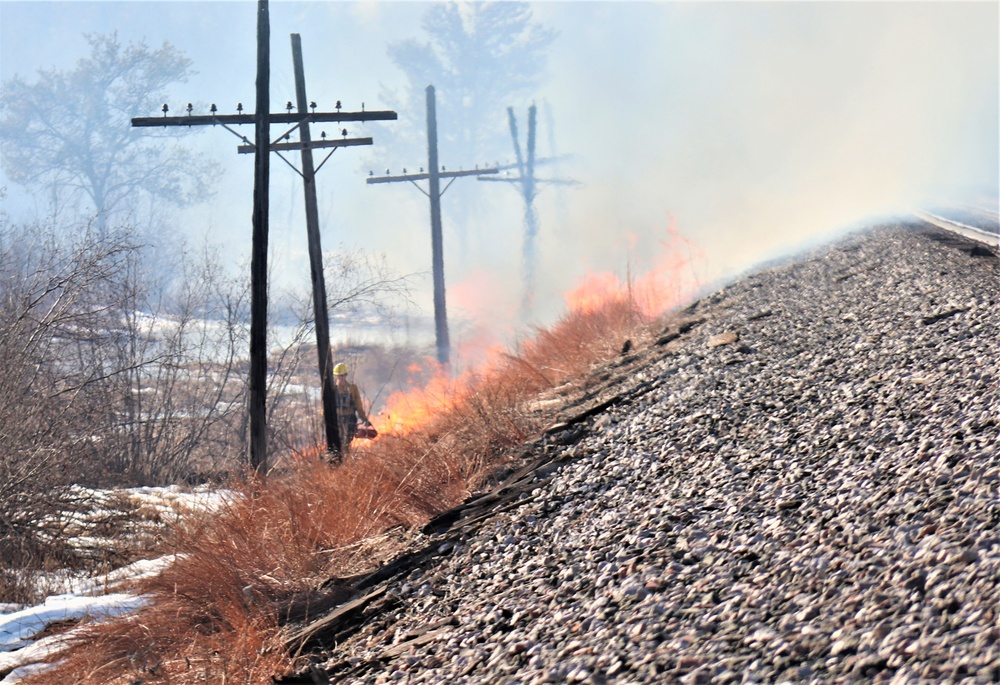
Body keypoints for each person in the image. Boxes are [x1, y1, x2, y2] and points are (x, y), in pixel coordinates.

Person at [332, 362, 372, 452]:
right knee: (338, 441)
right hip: (337, 419)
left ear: (346, 375)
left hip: (350, 418)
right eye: (339, 376)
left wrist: (364, 418)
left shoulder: (353, 388)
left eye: (343, 375)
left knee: (347, 440)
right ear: (336, 376)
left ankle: (346, 458)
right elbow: (328, 405)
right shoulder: (333, 389)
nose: (341, 378)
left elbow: (358, 404)